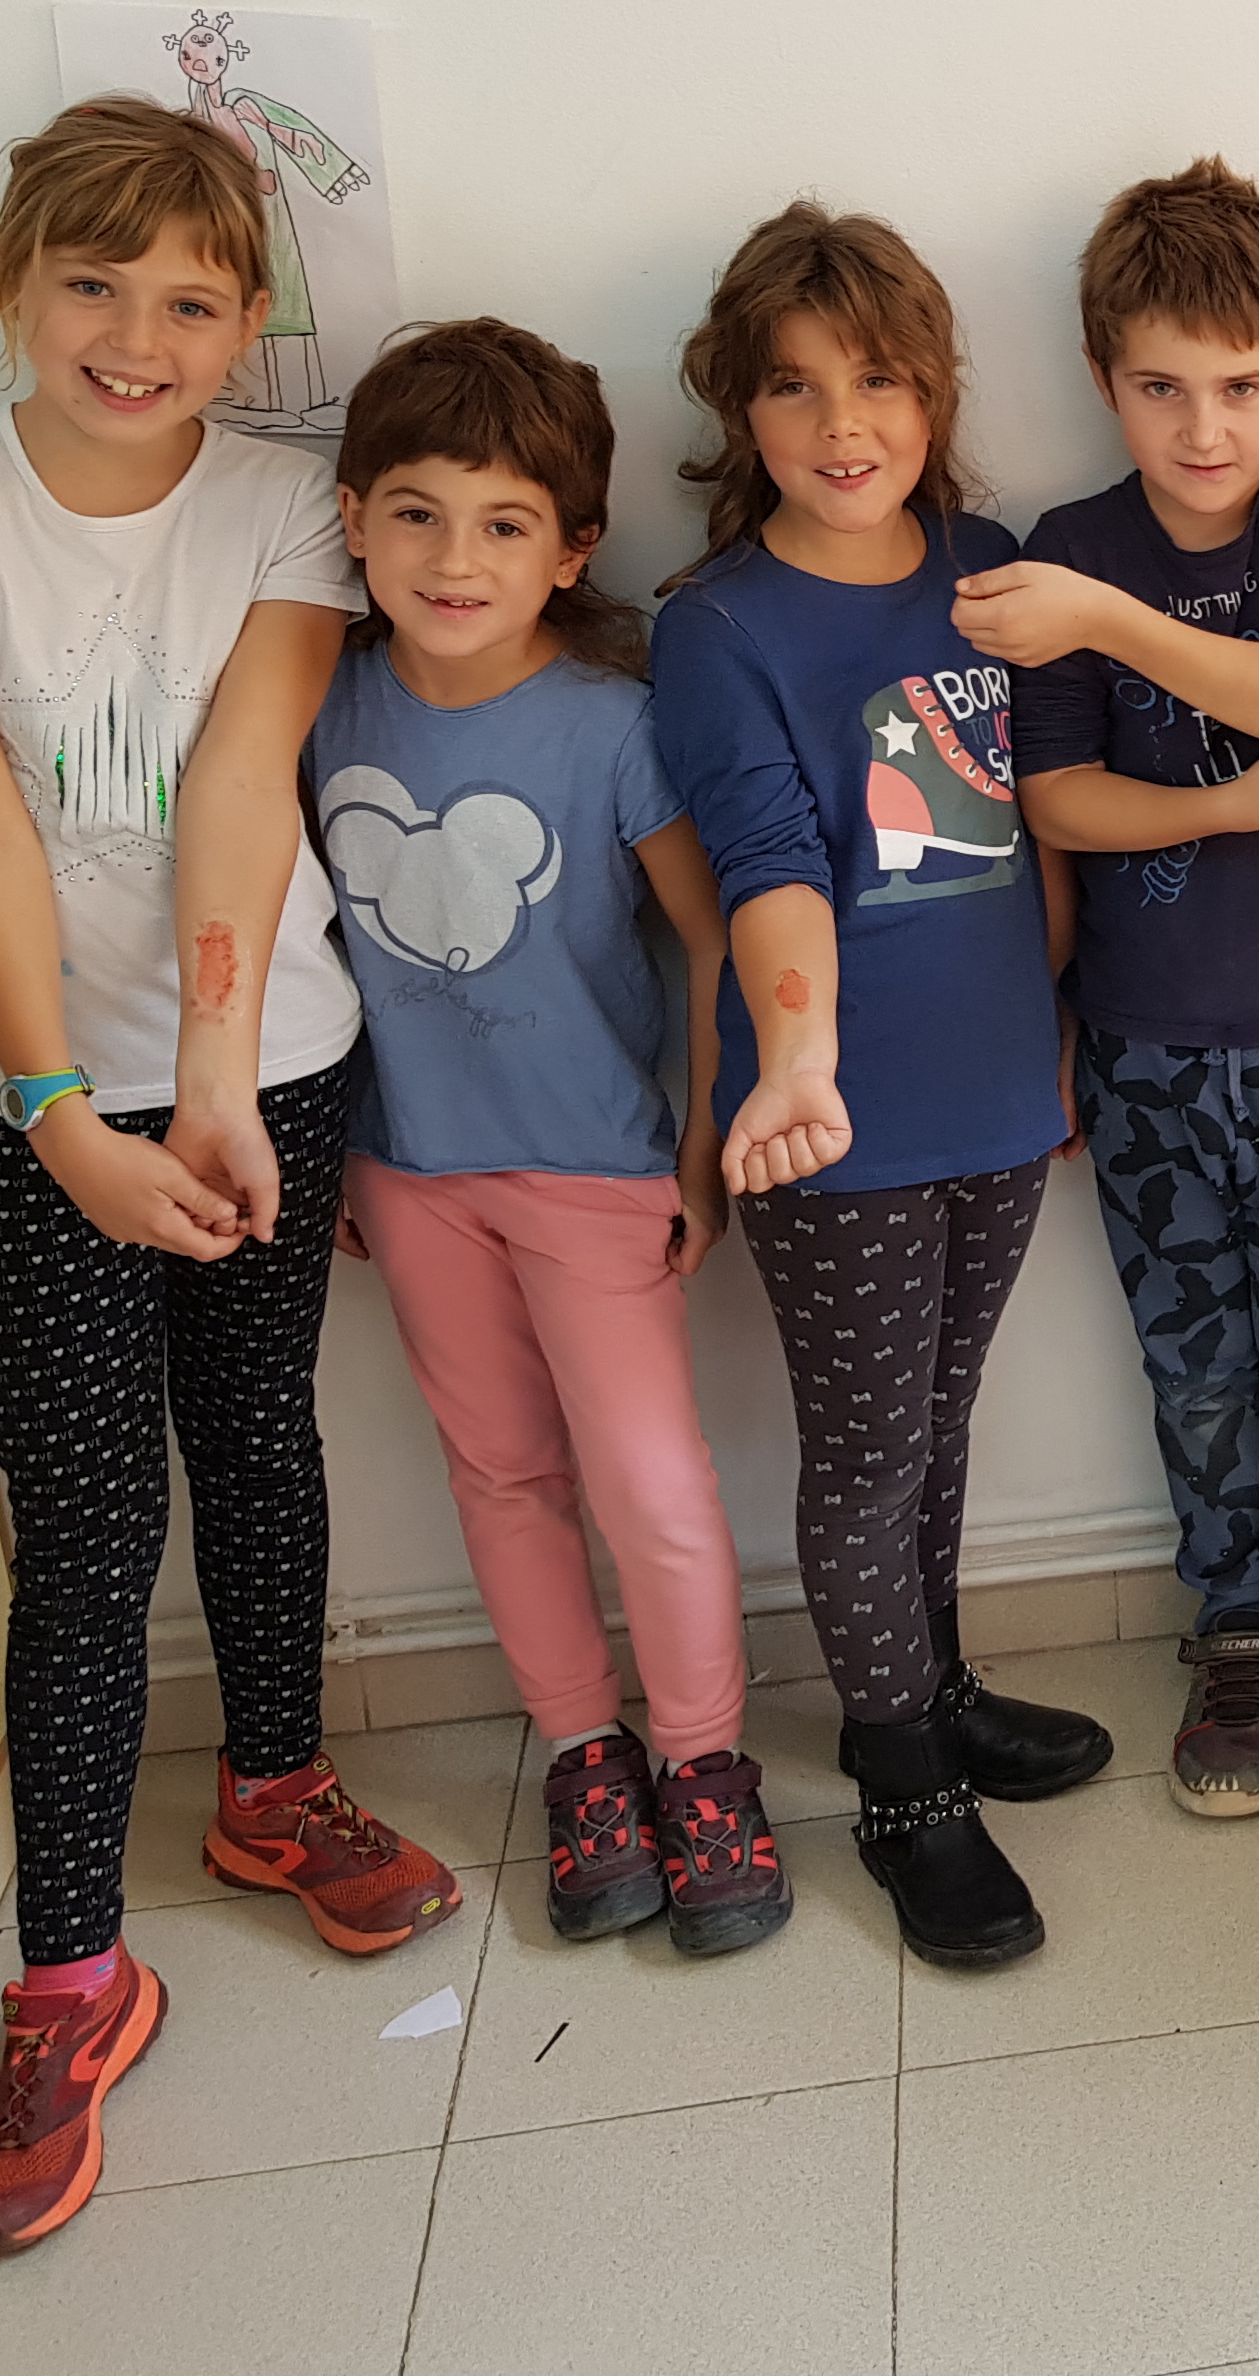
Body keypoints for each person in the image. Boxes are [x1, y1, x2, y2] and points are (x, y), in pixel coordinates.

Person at [0, 96, 458, 2256]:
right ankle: (72, 1976)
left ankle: (276, 1786)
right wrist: (68, 1109)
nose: (136, 337)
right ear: (13, 282)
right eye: (93, 285)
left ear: (249, 320)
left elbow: (247, 782)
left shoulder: (282, 504)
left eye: (188, 299)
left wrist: (222, 1075)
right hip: (27, 1102)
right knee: (82, 1529)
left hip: (269, 1064)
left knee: (259, 1435)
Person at [648, 203, 1111, 1975]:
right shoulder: (719, 626)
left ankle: (934, 1685)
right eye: (794, 385)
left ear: (935, 394)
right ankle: (906, 1784)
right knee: (862, 1451)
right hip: (825, 1115)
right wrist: (797, 1061)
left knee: (941, 1421)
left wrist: (1054, 1030)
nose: (844, 424)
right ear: (740, 409)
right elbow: (765, 865)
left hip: (997, 1085)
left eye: (881, 381)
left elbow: (1036, 827)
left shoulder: (993, 573)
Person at [315, 322, 788, 1960]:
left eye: (504, 523)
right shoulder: (316, 702)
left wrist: (705, 1145)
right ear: (354, 517)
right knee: (502, 1470)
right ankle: (585, 1753)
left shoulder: (610, 723)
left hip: (596, 1167)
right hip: (410, 1168)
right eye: (418, 514)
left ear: (571, 548)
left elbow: (712, 936)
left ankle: (703, 1764)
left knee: (649, 1480)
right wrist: (335, 1154)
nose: (456, 560)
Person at [970, 157, 1259, 1842]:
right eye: (1161, 387)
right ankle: (1233, 1626)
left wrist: (1104, 623)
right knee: (1197, 1364)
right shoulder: (1068, 546)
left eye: (1240, 386)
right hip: (1144, 1040)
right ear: (1105, 380)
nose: (1204, 426)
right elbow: (1057, 801)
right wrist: (1232, 804)